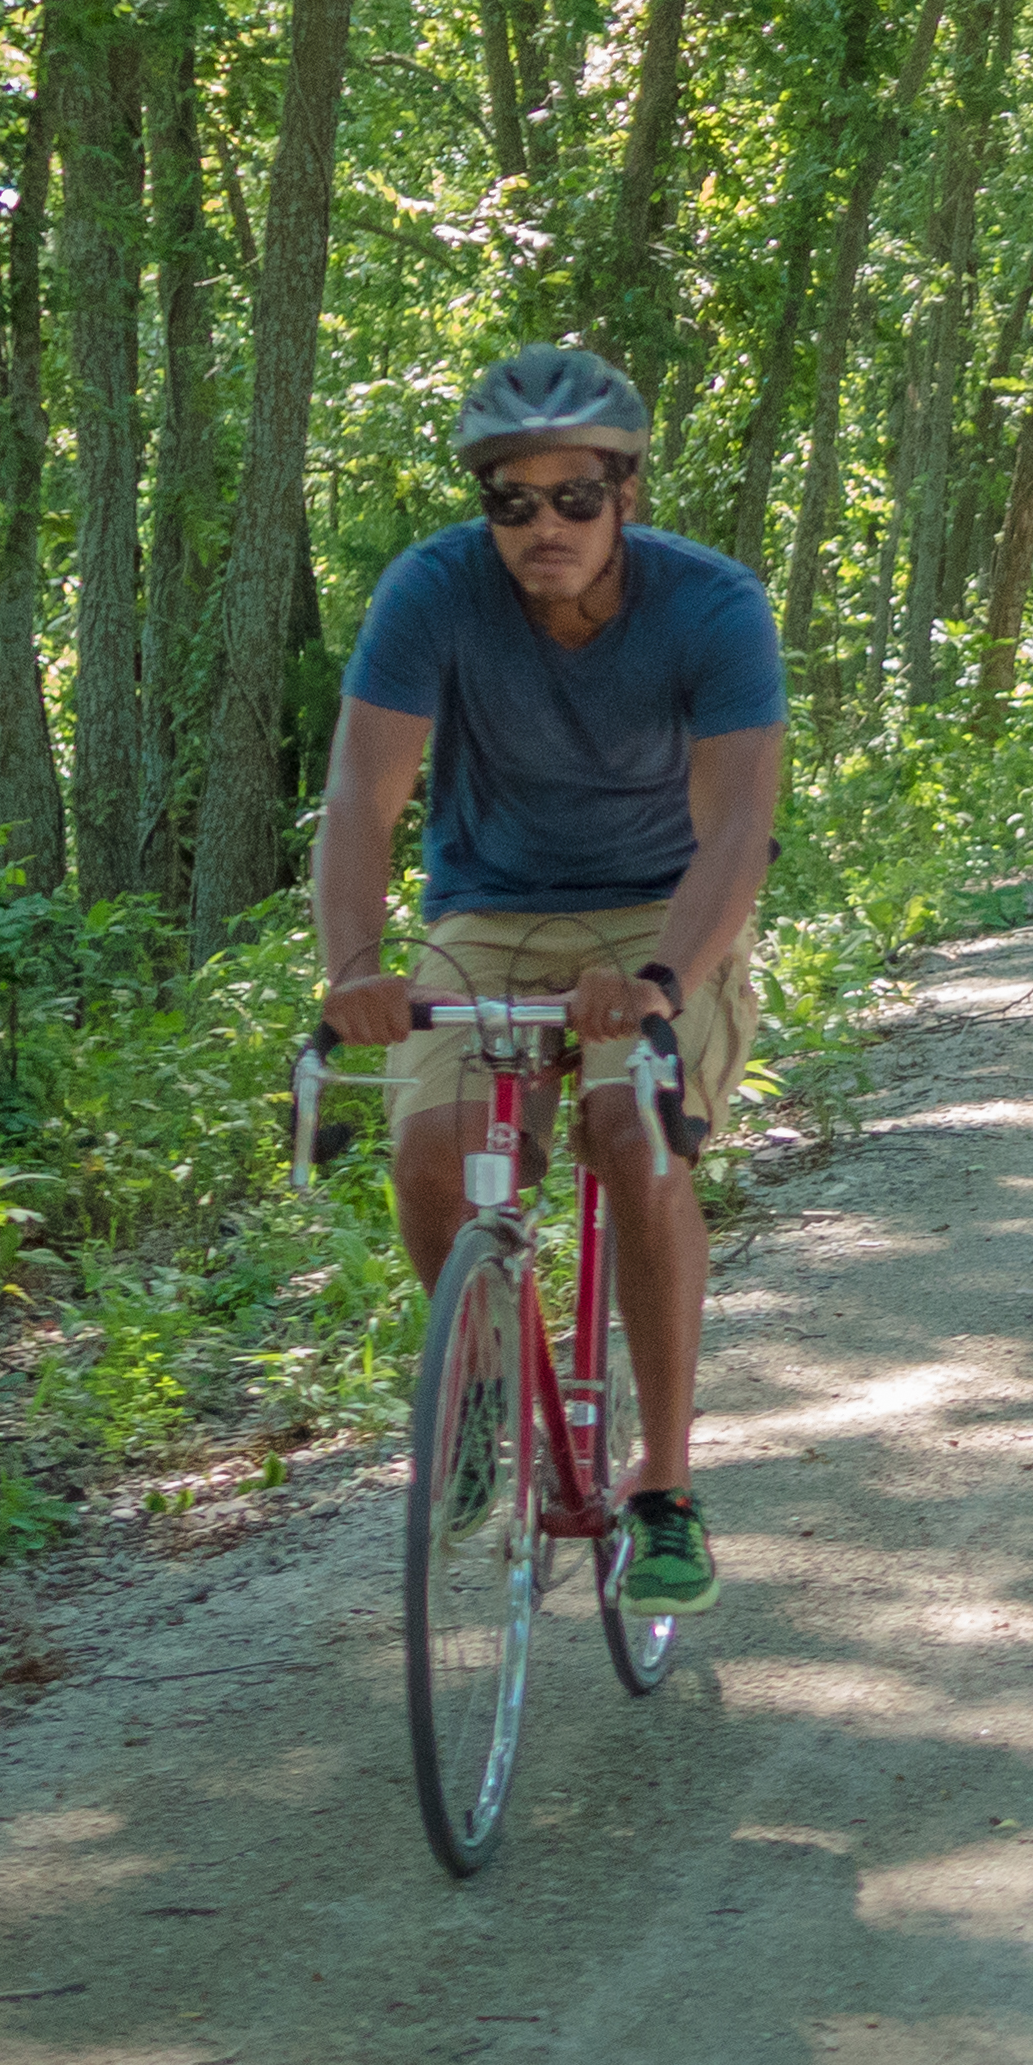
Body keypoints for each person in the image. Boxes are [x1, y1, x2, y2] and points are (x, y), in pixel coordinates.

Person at [312, 345, 786, 1619]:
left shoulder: (712, 604)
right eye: (510, 503)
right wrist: (356, 966)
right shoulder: (432, 592)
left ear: (626, 492)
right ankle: (478, 1384)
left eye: (575, 498)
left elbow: (739, 824)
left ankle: (666, 1485)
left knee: (633, 1133)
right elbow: (363, 792)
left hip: (661, 908)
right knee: (432, 1148)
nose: (543, 528)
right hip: (491, 908)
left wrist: (658, 978)